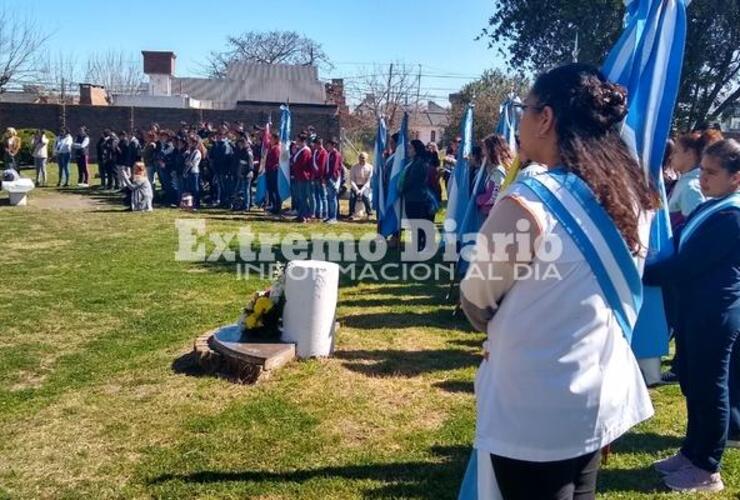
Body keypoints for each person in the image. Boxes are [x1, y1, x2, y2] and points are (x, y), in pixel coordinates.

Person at [460, 63, 660, 499]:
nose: (520, 122)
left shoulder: (528, 201)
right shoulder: (632, 195)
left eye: (524, 110)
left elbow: (477, 297)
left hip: (533, 399)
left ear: (545, 118)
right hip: (597, 385)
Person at [645, 139, 740, 493]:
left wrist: (638, 270)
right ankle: (691, 452)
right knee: (694, 386)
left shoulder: (732, 215)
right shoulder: (710, 207)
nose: (703, 179)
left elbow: (685, 265)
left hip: (715, 314)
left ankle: (707, 468)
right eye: (702, 171)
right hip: (695, 311)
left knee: (710, 389)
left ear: (736, 178)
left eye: (713, 173)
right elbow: (676, 243)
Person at [668, 130, 723, 229]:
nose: (671, 156)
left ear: (689, 154)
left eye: (676, 151)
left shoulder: (691, 187)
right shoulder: (686, 182)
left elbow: (694, 228)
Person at [400, 140, 434, 249]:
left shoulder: (419, 163)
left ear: (416, 150)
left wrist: (402, 188)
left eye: (410, 148)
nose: (408, 150)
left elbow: (411, 180)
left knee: (416, 225)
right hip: (413, 197)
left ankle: (415, 250)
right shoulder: (415, 162)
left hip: (416, 198)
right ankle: (418, 247)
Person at [476, 134, 514, 217]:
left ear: (491, 150)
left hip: (497, 215)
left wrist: (477, 200)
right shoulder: (497, 168)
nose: (483, 151)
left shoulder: (498, 171)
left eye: (484, 148)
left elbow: (492, 197)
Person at [291, 134, 313, 222]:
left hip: (303, 177)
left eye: (297, 140)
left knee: (303, 197)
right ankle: (300, 214)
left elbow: (302, 164)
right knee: (299, 197)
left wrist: (295, 166)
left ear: (301, 141)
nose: (296, 142)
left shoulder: (306, 151)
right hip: (298, 176)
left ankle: (305, 215)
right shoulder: (300, 150)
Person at [350, 152, 373, 220]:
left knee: (365, 196)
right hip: (356, 186)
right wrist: (357, 190)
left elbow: (369, 181)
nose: (361, 159)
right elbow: (352, 180)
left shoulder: (370, 167)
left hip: (365, 186)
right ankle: (351, 213)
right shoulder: (354, 167)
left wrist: (362, 190)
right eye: (360, 157)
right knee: (352, 197)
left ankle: (369, 213)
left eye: (363, 158)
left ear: (367, 158)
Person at [234, 137, 255, 211]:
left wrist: (246, 172)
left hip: (247, 173)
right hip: (242, 173)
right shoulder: (243, 151)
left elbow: (250, 164)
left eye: (240, 144)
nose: (239, 146)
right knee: (243, 190)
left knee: (246, 190)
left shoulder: (248, 152)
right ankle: (242, 204)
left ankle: (246, 206)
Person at [325, 138, 343, 223]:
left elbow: (335, 168)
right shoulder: (329, 154)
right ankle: (330, 216)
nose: (327, 147)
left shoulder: (336, 154)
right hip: (328, 178)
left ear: (333, 145)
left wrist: (330, 177)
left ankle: (334, 217)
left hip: (333, 178)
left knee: (332, 198)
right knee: (329, 198)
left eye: (329, 145)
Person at [183, 136, 203, 209]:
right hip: (189, 172)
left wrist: (187, 165)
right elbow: (185, 160)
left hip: (194, 171)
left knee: (195, 188)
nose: (189, 143)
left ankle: (197, 203)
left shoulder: (197, 152)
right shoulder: (189, 151)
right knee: (189, 188)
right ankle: (190, 203)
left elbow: (192, 162)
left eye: (191, 142)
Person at [311, 137, 329, 220]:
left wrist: (321, 177)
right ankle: (318, 212)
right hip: (315, 177)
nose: (314, 146)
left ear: (319, 144)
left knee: (323, 197)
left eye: (315, 144)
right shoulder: (315, 152)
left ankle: (325, 213)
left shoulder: (323, 153)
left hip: (320, 178)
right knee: (316, 196)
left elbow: (322, 167)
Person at [265, 131, 282, 215]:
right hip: (269, 170)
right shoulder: (271, 147)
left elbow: (276, 160)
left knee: (275, 190)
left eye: (271, 138)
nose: (270, 140)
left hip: (273, 171)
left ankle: (277, 207)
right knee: (271, 190)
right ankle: (273, 205)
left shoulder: (277, 148)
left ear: (275, 139)